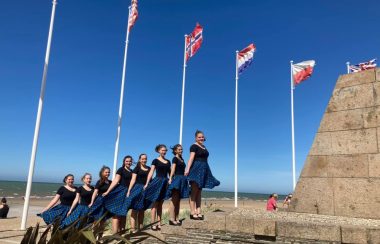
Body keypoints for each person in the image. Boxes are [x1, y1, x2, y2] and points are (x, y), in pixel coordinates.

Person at [185, 130, 220, 220]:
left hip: (204, 169)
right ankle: (193, 212)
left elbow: (206, 160)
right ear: (196, 138)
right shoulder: (193, 146)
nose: (201, 138)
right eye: (199, 137)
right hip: (196, 169)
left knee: (199, 192)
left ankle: (199, 211)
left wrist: (207, 170)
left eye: (202, 137)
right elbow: (191, 158)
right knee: (194, 191)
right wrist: (187, 169)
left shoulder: (204, 147)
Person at [102, 156, 133, 233]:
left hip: (128, 193)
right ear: (124, 162)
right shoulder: (121, 169)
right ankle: (115, 233)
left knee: (124, 213)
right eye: (127, 161)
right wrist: (108, 191)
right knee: (116, 213)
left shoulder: (132, 171)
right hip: (120, 192)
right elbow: (115, 181)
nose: (128, 162)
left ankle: (122, 232)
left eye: (130, 161)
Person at [144, 144, 171, 231]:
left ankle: (159, 223)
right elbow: (151, 172)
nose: (164, 152)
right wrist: (147, 183)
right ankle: (153, 223)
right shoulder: (155, 160)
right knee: (155, 203)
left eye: (165, 150)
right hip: (157, 182)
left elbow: (170, 173)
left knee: (160, 204)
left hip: (165, 183)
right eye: (162, 150)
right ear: (159, 151)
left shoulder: (168, 161)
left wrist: (170, 181)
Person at [126, 154, 151, 231]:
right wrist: (129, 190)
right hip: (137, 189)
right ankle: (133, 229)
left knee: (142, 210)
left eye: (145, 159)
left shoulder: (149, 168)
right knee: (134, 209)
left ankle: (140, 228)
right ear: (140, 159)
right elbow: (133, 180)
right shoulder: (136, 168)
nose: (144, 160)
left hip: (145, 189)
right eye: (142, 159)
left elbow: (150, 179)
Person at [166, 144, 189, 226]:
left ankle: (177, 218)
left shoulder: (181, 158)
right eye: (179, 149)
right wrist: (170, 178)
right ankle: (171, 219)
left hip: (183, 179)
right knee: (174, 200)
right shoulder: (175, 158)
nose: (181, 150)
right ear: (175, 150)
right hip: (177, 179)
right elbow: (173, 169)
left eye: (181, 149)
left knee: (178, 201)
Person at [89, 166, 112, 238]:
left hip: (107, 203)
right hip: (99, 202)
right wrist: (92, 202)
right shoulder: (99, 182)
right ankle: (93, 237)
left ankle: (100, 238)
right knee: (96, 220)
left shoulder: (110, 182)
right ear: (102, 173)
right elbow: (95, 192)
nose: (107, 173)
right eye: (106, 172)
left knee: (103, 221)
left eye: (108, 172)